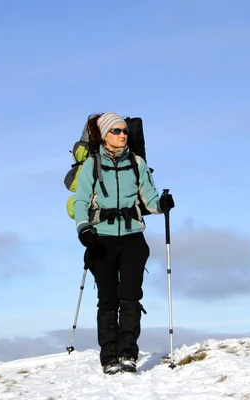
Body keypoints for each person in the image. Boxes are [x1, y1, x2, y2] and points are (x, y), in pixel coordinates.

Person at [73, 112, 175, 374]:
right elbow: (82, 201)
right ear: (105, 135)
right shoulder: (92, 164)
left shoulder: (137, 162)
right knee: (108, 299)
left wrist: (161, 206)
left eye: (125, 131)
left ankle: (128, 353)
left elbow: (149, 198)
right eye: (116, 131)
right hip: (101, 239)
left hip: (132, 238)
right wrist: (83, 229)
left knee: (130, 297)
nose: (122, 135)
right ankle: (109, 356)